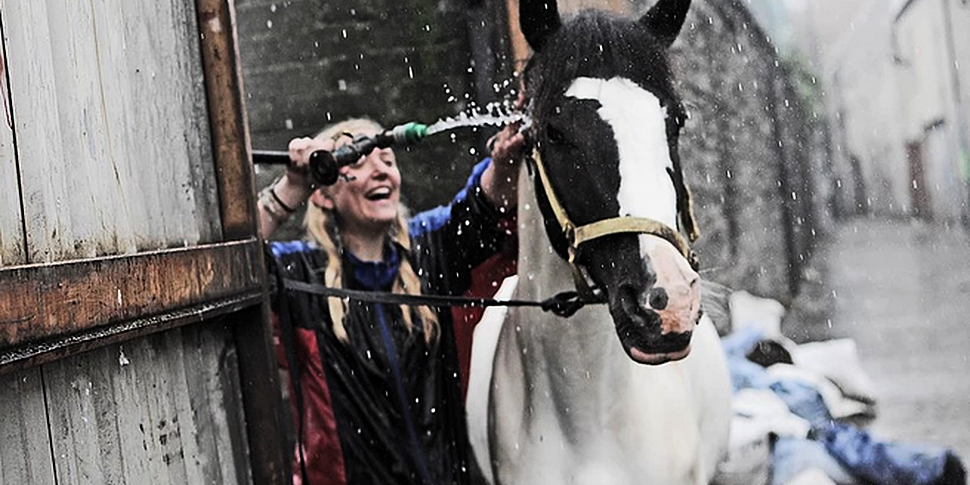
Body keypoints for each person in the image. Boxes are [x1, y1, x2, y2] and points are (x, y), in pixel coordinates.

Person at [258, 117, 525, 485]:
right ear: (323, 192)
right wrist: (291, 186)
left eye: (387, 159)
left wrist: (504, 160)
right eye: (359, 161)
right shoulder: (300, 275)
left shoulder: (430, 253)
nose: (380, 170)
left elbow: (482, 211)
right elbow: (233, 267)